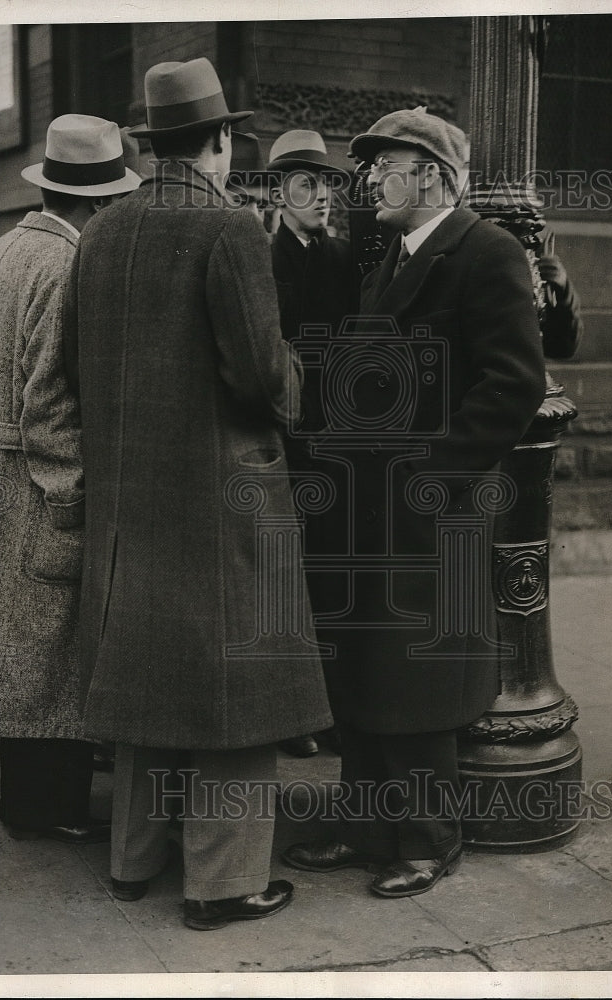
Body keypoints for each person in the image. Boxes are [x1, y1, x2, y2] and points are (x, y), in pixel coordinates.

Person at [62, 57, 332, 930]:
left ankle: (133, 862)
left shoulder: (100, 232)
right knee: (237, 694)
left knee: (147, 683)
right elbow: (257, 376)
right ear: (217, 143)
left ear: (152, 144)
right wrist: (298, 377)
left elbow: (74, 367)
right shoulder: (230, 230)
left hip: (131, 501)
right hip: (223, 499)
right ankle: (223, 886)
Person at [282, 106, 546, 897]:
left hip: (430, 509)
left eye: (382, 166)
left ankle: (429, 838)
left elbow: (512, 386)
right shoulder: (391, 257)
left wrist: (429, 474)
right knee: (366, 666)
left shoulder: (485, 253)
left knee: (418, 679)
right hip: (370, 504)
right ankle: (367, 828)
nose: (367, 181)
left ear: (430, 174)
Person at [0, 115, 141, 844]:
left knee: (13, 641)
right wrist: (70, 492)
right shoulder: (68, 266)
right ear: (96, 202)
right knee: (48, 648)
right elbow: (50, 398)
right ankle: (47, 807)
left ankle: (28, 799)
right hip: (40, 479)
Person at [265, 129, 357, 758]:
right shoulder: (257, 256)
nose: (322, 197)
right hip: (278, 437)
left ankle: (323, 709)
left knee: (326, 571)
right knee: (279, 572)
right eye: (307, 184)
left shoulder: (339, 258)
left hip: (331, 434)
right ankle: (287, 714)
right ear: (279, 192)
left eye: (327, 184)